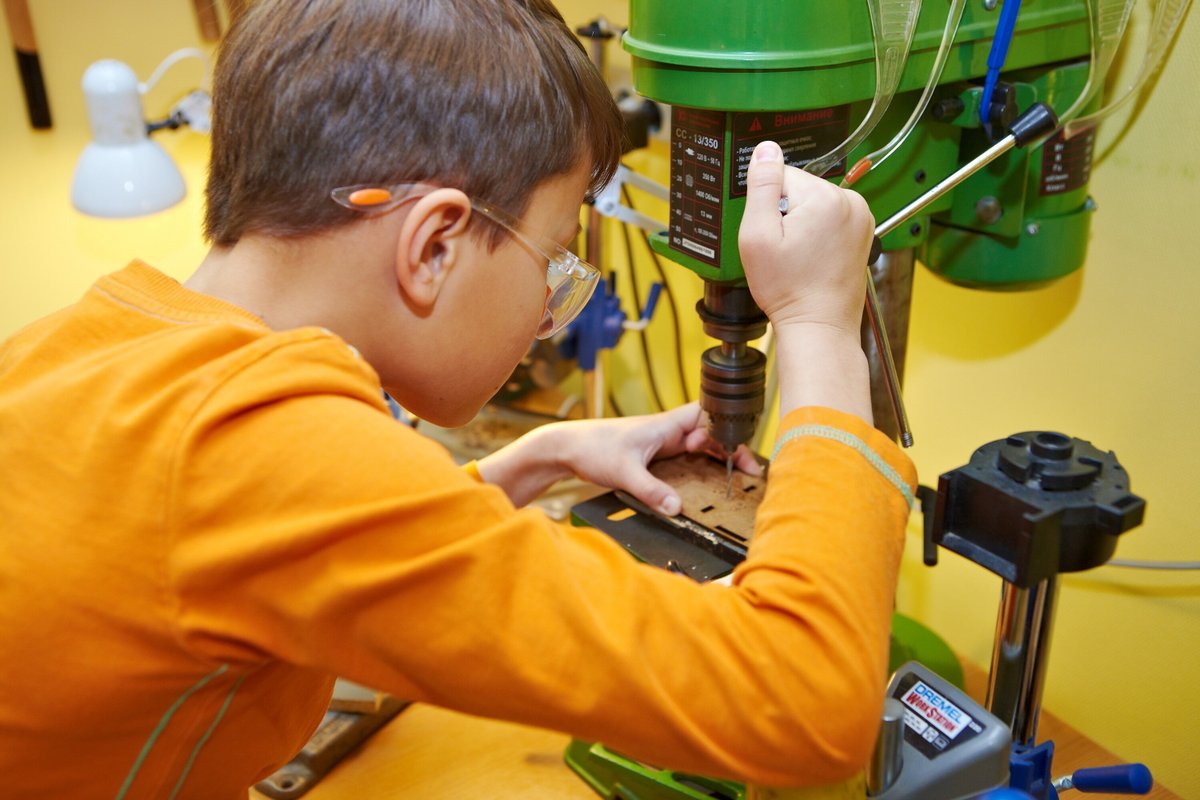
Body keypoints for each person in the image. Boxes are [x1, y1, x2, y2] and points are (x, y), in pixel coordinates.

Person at [0, 0, 915, 797]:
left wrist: (536, 458)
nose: (549, 315)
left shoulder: (88, 342)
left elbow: (293, 547)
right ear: (434, 245)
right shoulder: (264, 448)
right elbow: (806, 700)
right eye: (554, 259)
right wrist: (818, 322)